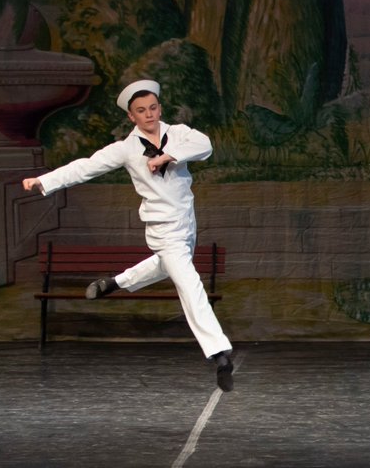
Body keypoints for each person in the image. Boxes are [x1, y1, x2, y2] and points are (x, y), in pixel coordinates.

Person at [23, 79, 235, 392]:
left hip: (187, 223)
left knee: (166, 266)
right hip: (163, 230)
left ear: (159, 108)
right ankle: (220, 353)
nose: (149, 115)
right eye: (141, 111)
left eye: (152, 108)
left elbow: (205, 146)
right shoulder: (125, 149)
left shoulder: (179, 133)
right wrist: (45, 181)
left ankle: (115, 283)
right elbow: (86, 167)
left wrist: (167, 156)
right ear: (131, 117)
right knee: (189, 284)